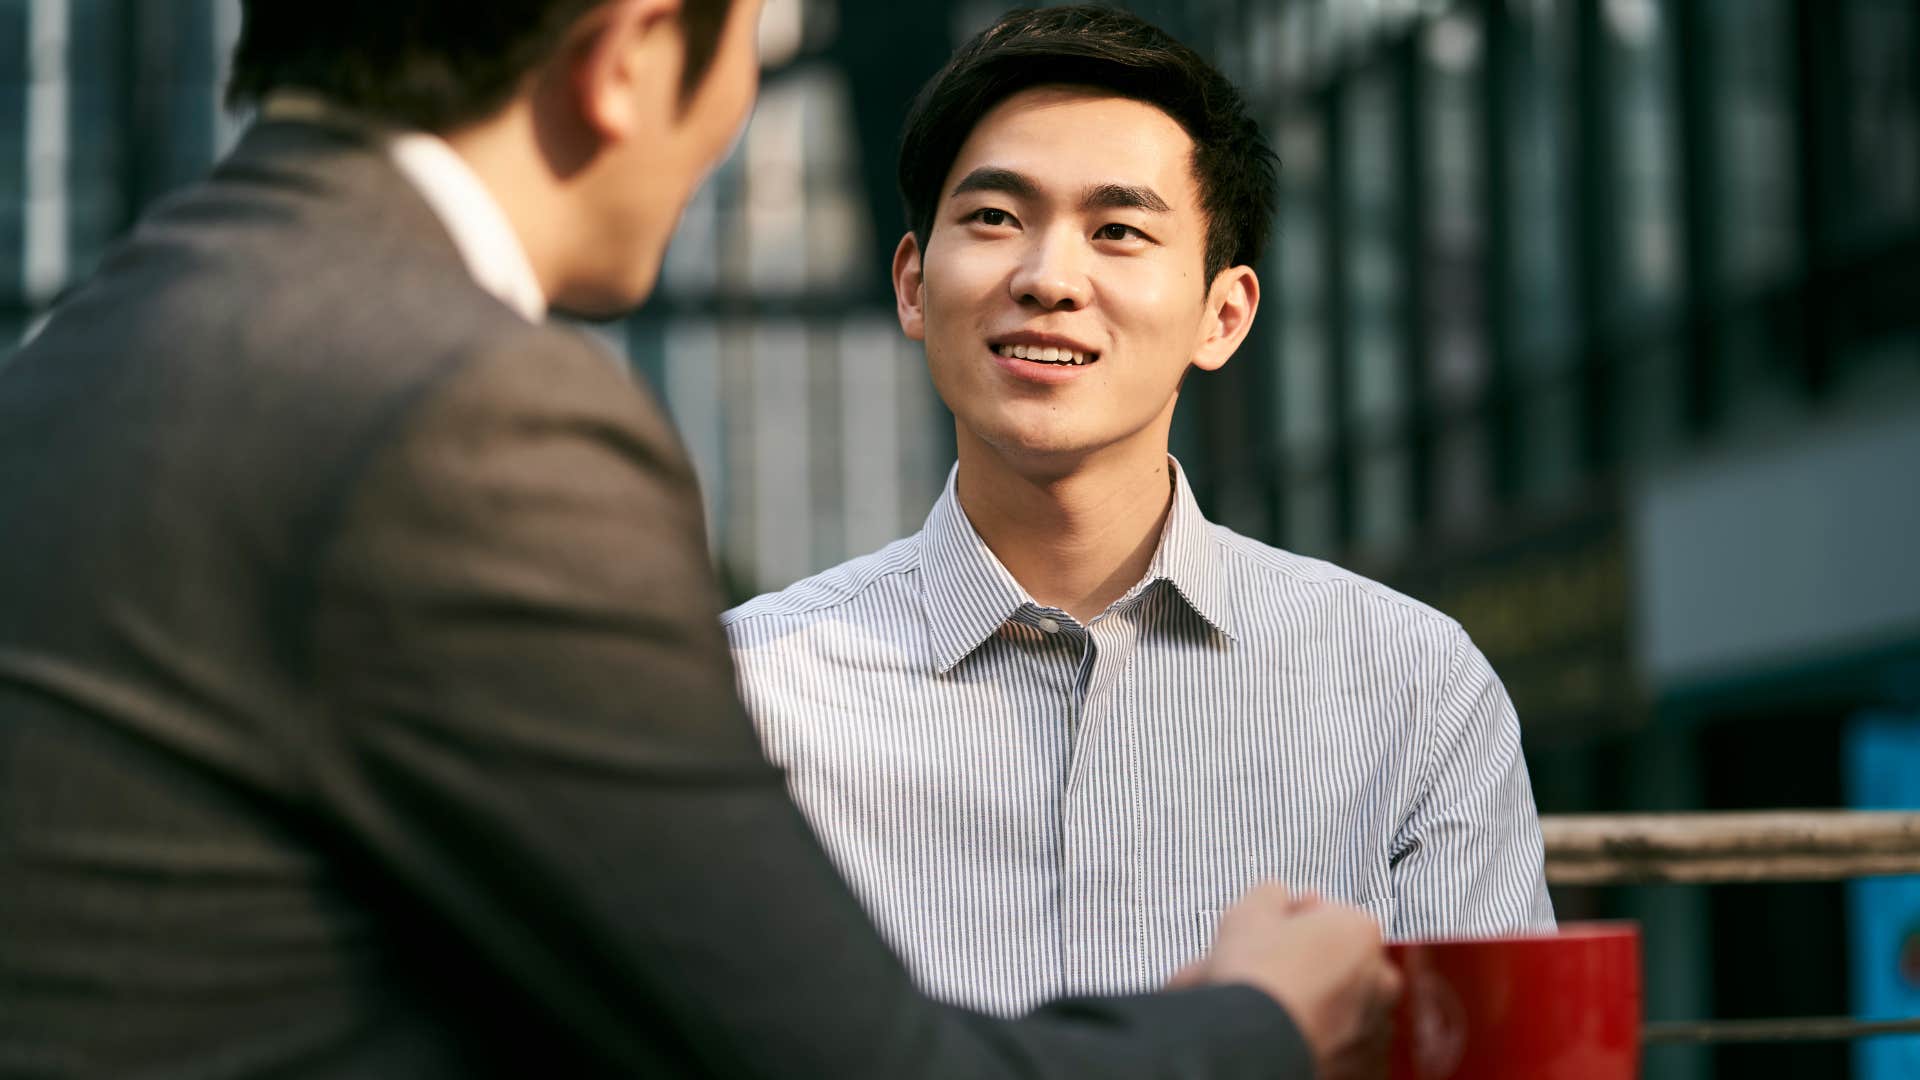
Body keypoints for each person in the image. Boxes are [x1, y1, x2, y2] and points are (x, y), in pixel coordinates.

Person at [0, 0, 1402, 1077]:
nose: (734, 110)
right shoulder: (465, 412)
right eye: (744, 41)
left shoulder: (99, 349)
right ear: (633, 53)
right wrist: (1258, 1023)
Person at [724, 4, 1555, 1018]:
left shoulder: (1413, 691)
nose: (1048, 279)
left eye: (1118, 231)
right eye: (994, 219)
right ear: (911, 284)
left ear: (1223, 314)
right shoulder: (749, 699)